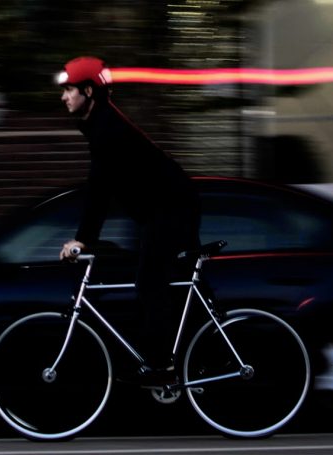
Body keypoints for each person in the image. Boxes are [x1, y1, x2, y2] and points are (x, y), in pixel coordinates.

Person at [56, 56, 201, 382]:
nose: (64, 97)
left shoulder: (106, 129)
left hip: (171, 209)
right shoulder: (101, 124)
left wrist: (83, 239)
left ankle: (161, 366)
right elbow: (102, 189)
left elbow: (99, 190)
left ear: (89, 91)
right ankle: (180, 356)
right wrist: (88, 237)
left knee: (150, 282)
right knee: (156, 282)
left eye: (69, 90)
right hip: (162, 209)